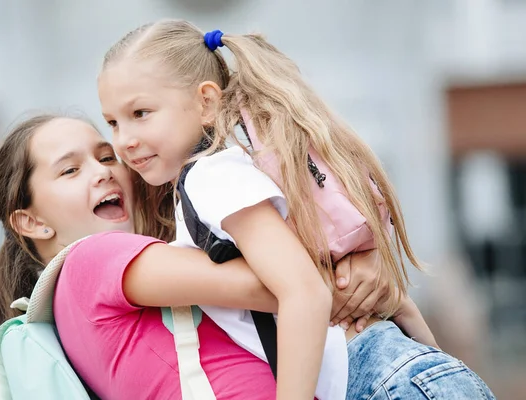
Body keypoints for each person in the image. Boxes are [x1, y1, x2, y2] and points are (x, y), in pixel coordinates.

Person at [97, 19, 496, 399]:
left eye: (140, 114)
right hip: (406, 371)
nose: (125, 140)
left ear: (206, 103)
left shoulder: (209, 177)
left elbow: (305, 293)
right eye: (113, 122)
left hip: (382, 379)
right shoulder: (239, 164)